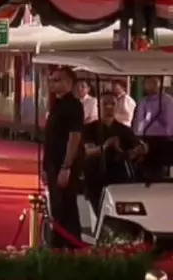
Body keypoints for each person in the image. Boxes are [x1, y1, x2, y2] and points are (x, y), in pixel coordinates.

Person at [82, 91, 146, 214]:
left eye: (112, 104)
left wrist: (138, 151)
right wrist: (106, 146)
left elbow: (131, 153)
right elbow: (88, 151)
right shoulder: (89, 129)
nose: (109, 107)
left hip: (119, 178)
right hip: (96, 177)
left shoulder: (125, 130)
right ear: (98, 106)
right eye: (105, 104)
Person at [43, 67, 85, 249]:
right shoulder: (57, 104)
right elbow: (50, 138)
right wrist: (46, 167)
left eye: (57, 79)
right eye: (52, 79)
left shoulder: (74, 105)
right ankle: (58, 247)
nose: (52, 83)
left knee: (67, 207)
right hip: (53, 164)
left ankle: (71, 247)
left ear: (69, 83)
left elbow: (74, 137)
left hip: (64, 164)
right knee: (57, 207)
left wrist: (66, 166)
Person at [134, 76, 173, 179]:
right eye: (148, 83)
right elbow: (138, 120)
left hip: (161, 139)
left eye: (154, 83)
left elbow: (169, 121)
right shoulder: (142, 101)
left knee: (156, 170)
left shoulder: (167, 100)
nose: (150, 86)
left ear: (160, 84)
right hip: (143, 138)